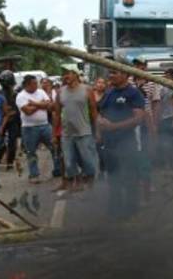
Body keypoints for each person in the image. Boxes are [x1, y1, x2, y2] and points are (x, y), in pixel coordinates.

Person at [96, 66, 145, 217]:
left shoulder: (133, 93)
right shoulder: (109, 92)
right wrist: (100, 127)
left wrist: (114, 127)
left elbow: (138, 118)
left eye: (114, 72)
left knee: (129, 178)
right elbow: (99, 112)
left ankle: (131, 209)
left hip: (127, 143)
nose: (110, 75)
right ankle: (114, 209)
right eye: (110, 72)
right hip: (109, 144)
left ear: (125, 74)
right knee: (113, 178)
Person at [54, 63, 98, 190]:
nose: (65, 76)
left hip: (84, 131)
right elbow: (57, 114)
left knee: (88, 160)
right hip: (67, 133)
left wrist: (97, 130)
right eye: (64, 74)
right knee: (68, 162)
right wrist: (54, 134)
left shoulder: (87, 89)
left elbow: (94, 111)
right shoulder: (60, 91)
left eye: (68, 73)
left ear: (75, 74)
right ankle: (77, 181)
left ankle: (90, 181)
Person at [16, 75, 60, 183]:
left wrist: (34, 104)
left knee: (55, 147)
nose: (37, 85)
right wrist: (42, 105)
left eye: (36, 83)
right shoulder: (21, 96)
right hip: (29, 128)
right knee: (31, 152)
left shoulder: (41, 92)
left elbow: (50, 106)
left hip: (45, 125)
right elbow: (27, 111)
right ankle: (34, 174)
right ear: (27, 85)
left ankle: (58, 169)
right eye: (34, 83)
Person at [0, 70, 21, 171]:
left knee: (11, 142)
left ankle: (9, 163)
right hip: (3, 120)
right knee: (0, 141)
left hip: (13, 120)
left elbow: (17, 109)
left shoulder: (15, 94)